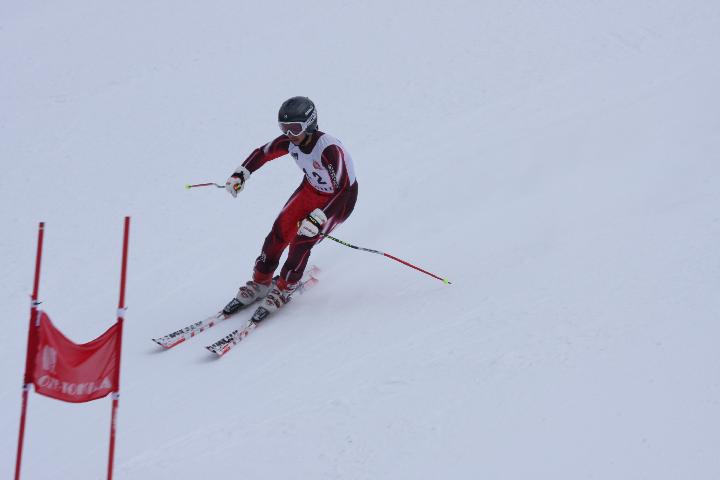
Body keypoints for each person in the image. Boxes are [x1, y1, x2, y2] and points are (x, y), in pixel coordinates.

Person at [222, 96, 358, 321]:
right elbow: (263, 153)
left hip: (339, 200)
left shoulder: (329, 149)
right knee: (280, 230)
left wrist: (319, 218)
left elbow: (343, 190)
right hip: (311, 190)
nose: (289, 134)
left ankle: (285, 287)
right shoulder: (291, 141)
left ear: (310, 124)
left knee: (303, 238)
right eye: (284, 128)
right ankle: (261, 282)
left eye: (294, 128)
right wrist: (241, 173)